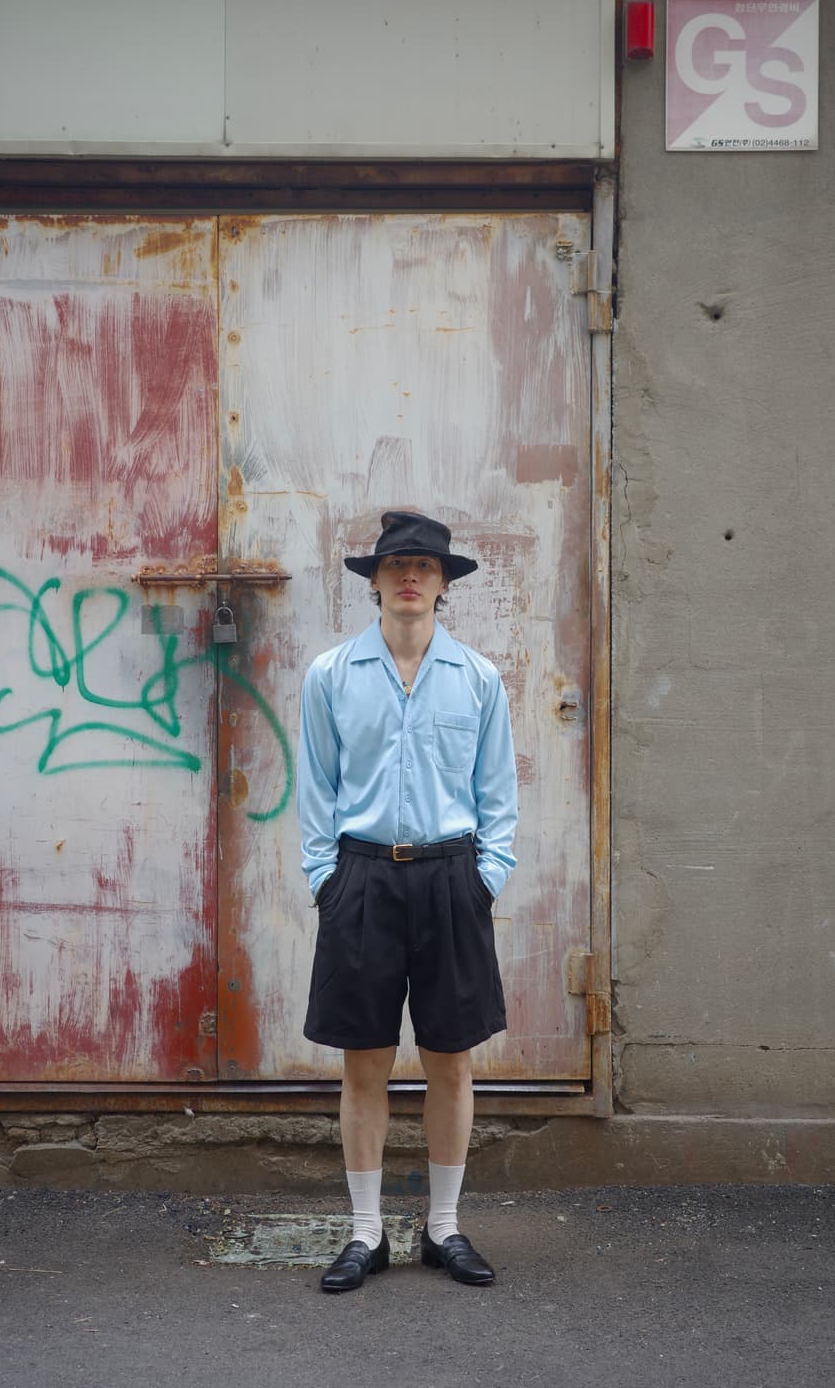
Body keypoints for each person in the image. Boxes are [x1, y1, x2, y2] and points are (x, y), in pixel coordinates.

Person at [297, 510, 518, 1293]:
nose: (411, 577)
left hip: (451, 879)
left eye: (425, 566)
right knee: (363, 1062)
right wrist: (326, 879)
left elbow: (497, 795)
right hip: (361, 878)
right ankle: (366, 1233)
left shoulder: (477, 678)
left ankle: (443, 1228)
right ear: (376, 581)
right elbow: (315, 786)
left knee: (450, 1061)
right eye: (397, 565)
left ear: (443, 583)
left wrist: (484, 879)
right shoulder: (331, 675)